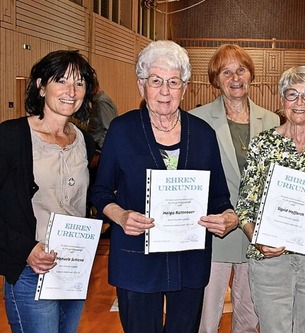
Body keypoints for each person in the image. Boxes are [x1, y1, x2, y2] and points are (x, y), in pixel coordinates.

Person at [91, 40, 238, 333]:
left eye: (174, 82)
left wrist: (229, 217)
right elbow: (100, 191)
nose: (165, 91)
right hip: (136, 258)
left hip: (188, 259)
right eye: (156, 81)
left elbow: (219, 196)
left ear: (185, 87)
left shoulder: (203, 134)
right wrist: (120, 216)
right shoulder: (122, 130)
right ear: (141, 85)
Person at [236, 66, 305, 333]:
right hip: (270, 258)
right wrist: (257, 238)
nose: (300, 103)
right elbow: (244, 207)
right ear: (281, 100)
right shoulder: (262, 144)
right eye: (292, 94)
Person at [0, 50, 97, 333]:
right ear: (41, 86)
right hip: (30, 269)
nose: (71, 91)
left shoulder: (84, 142)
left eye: (79, 83)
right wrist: (26, 249)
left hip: (72, 269)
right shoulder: (11, 137)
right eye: (62, 81)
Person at [190, 44, 279, 333]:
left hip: (256, 236)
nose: (235, 77)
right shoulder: (196, 119)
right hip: (215, 232)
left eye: (241, 70)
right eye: (226, 72)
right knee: (205, 317)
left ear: (251, 75)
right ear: (215, 80)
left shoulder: (273, 121)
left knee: (249, 318)